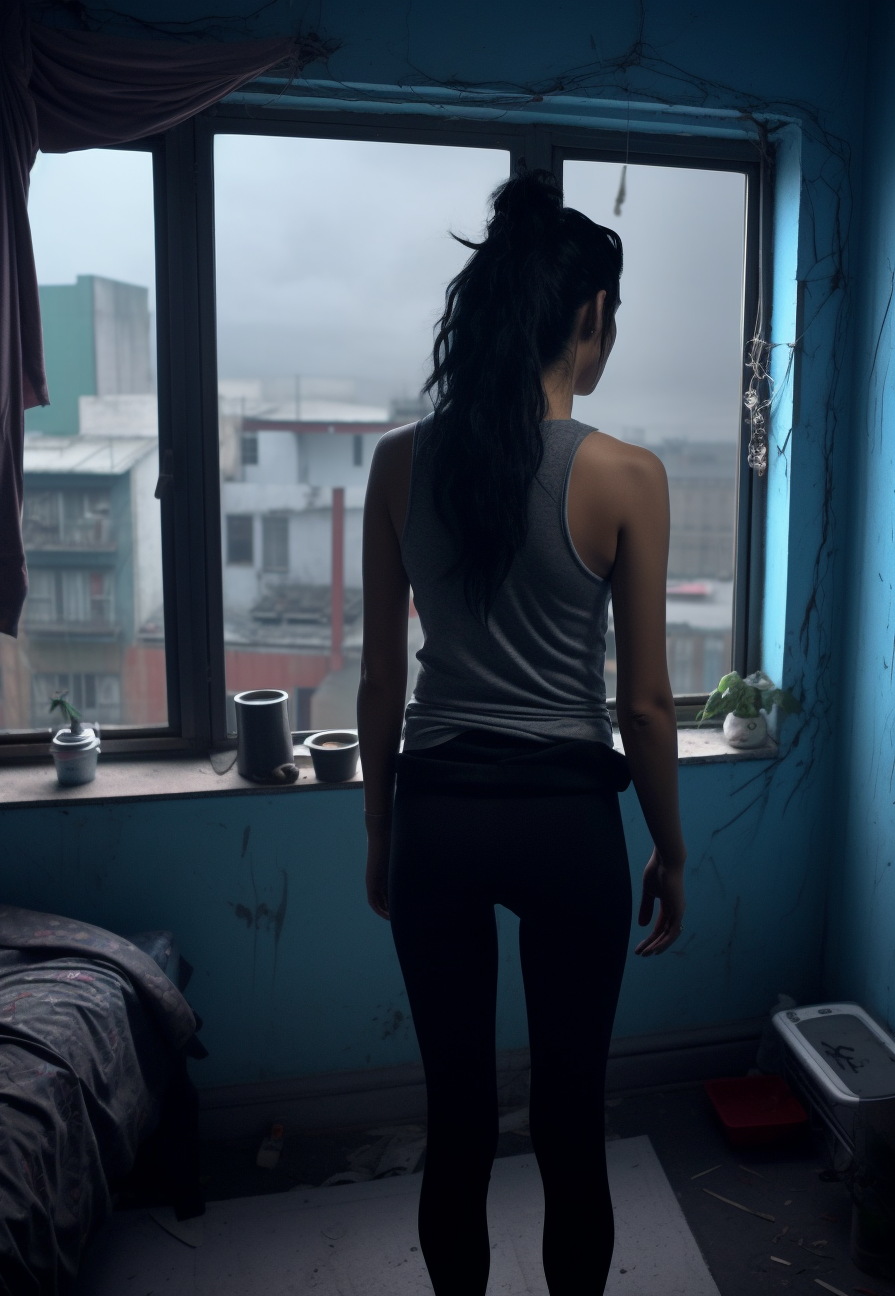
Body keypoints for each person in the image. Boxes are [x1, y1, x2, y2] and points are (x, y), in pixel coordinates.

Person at [356, 168, 687, 1296]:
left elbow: (380, 680)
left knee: (457, 1122)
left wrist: (378, 835)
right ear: (588, 317)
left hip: (438, 818)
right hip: (567, 832)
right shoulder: (629, 474)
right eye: (613, 319)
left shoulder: (399, 462)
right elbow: (642, 705)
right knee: (568, 1122)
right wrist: (673, 850)